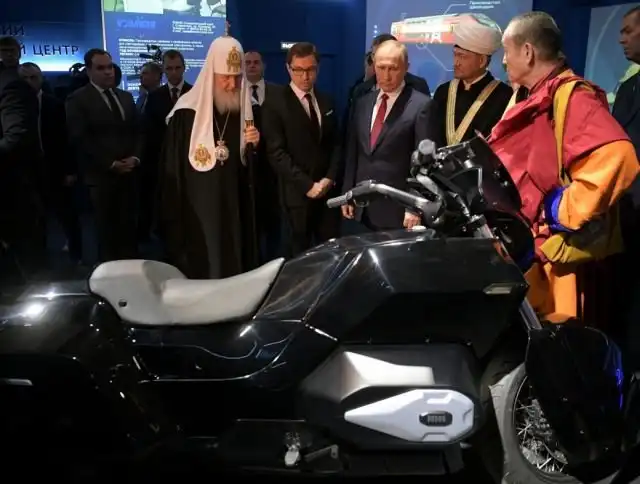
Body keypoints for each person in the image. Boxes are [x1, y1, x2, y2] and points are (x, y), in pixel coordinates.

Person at [489, 11, 639, 325]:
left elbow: (619, 156)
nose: (503, 60)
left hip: (560, 259)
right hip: (531, 251)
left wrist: (562, 211)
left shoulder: (572, 97)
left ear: (527, 52)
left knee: (558, 342)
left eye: (506, 51)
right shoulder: (533, 96)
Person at [158, 33, 261, 279]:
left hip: (235, 206)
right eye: (225, 77)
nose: (232, 85)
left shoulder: (248, 110)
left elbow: (253, 171)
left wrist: (255, 147)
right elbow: (172, 170)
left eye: (237, 78)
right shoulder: (185, 114)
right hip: (198, 209)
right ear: (211, 75)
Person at [341, 40, 431, 231]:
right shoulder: (362, 102)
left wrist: (414, 206)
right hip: (361, 207)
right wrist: (348, 193)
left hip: (398, 210)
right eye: (381, 68)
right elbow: (353, 152)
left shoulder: (421, 106)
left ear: (406, 67)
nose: (386, 76)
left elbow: (424, 164)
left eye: (393, 68)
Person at [262, 42, 341, 256]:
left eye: (310, 69)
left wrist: (329, 178)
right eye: (299, 70)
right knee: (298, 258)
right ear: (288, 69)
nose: (305, 76)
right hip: (296, 198)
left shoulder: (327, 101)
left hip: (328, 196)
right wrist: (308, 185)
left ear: (318, 68)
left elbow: (336, 144)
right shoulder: (275, 103)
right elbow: (276, 153)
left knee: (331, 255)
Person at [66, 48, 142, 262]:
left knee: (130, 233)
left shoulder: (126, 97)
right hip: (100, 179)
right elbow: (80, 139)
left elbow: (139, 131)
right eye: (101, 68)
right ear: (89, 71)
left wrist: (135, 158)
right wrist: (111, 163)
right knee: (105, 235)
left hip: (130, 176)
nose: (108, 72)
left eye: (109, 67)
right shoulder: (78, 99)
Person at [428, 14, 512, 147]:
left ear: (482, 61)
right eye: (455, 55)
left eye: (462, 56)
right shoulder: (443, 92)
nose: (456, 62)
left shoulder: (504, 96)